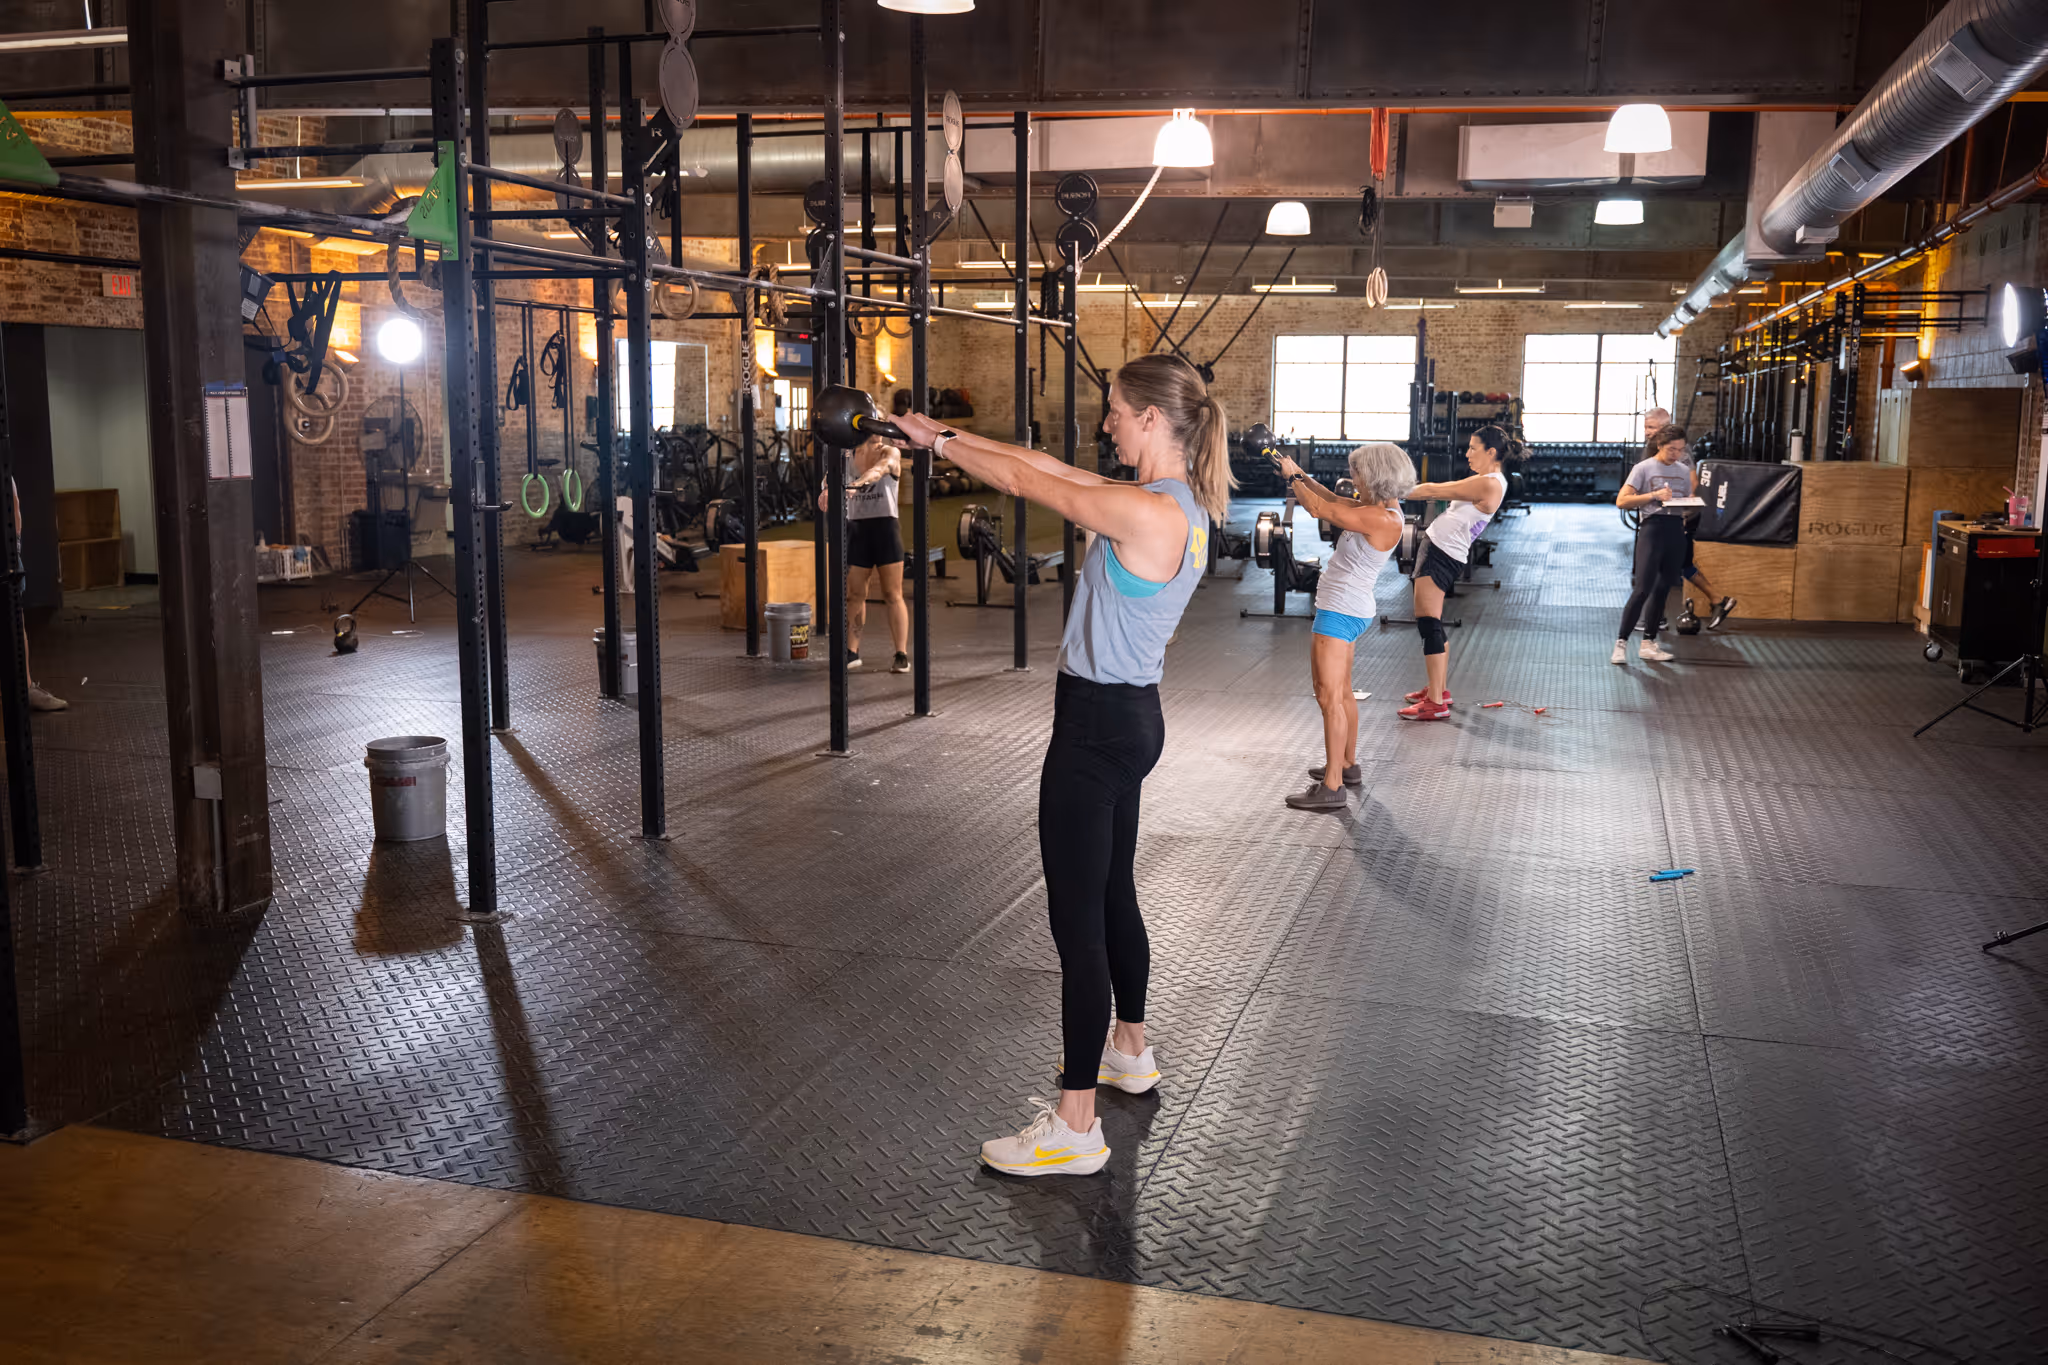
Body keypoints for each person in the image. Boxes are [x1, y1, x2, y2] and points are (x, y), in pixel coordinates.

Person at [893, 354, 1229, 1178]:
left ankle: (1075, 1125)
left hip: (1093, 729)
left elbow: (1036, 486)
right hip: (1132, 719)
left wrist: (938, 443)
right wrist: (937, 433)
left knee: (1076, 926)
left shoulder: (1144, 514)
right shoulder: (1178, 505)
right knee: (1113, 893)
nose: (1106, 420)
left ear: (1152, 417)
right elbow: (1044, 465)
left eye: (1115, 409)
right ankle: (1130, 1049)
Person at [1274, 442, 1413, 811]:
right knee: (1343, 693)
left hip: (1339, 612)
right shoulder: (1378, 509)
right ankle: (1347, 765)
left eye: (1357, 473)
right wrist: (1298, 474)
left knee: (1328, 696)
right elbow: (1325, 497)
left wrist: (1291, 477)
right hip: (1349, 608)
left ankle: (1333, 785)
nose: (1352, 479)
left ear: (1374, 476)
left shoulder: (1381, 518)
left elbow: (1320, 509)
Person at [1397, 426, 1514, 721]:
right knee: (1431, 621)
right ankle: (1439, 690)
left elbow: (1435, 489)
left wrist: (1391, 490)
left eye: (1473, 448)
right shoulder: (1486, 480)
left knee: (1428, 623)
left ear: (1491, 452)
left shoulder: (1489, 484)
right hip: (1441, 550)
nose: (1467, 453)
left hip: (1441, 554)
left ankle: (1435, 703)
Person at [818, 431, 909, 673]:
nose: (878, 434)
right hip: (858, 530)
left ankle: (901, 653)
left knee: (892, 593)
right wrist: (826, 490)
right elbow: (829, 478)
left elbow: (878, 471)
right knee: (855, 594)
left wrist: (854, 486)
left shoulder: (889, 452)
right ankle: (852, 652)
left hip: (885, 528)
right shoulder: (846, 456)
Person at [1614, 424, 1695, 663]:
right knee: (1642, 589)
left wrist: (1691, 503)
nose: (1676, 455)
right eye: (1671, 449)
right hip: (1652, 529)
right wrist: (1653, 495)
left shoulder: (1682, 470)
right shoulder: (1643, 468)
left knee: (1663, 590)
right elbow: (1622, 501)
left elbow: (1684, 500)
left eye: (1680, 450)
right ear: (1659, 445)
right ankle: (1621, 643)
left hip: (1675, 531)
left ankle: (1649, 643)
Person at [11, 479, 64, 712]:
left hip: (8, 554)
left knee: (15, 621)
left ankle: (26, 688)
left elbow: (14, 507)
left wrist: (14, 550)